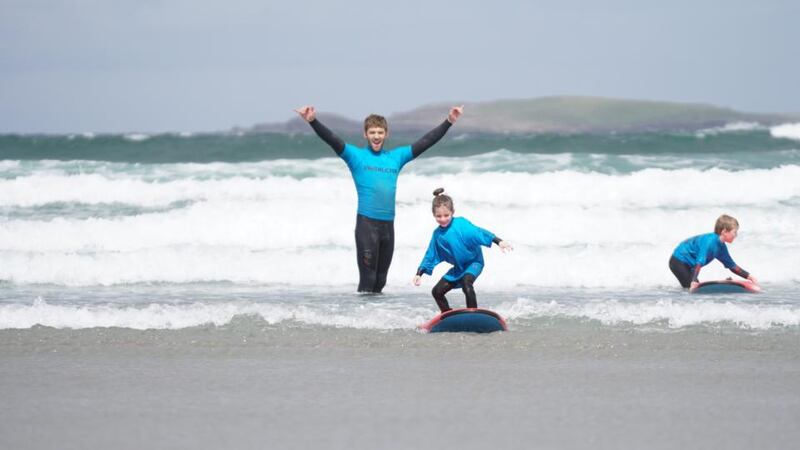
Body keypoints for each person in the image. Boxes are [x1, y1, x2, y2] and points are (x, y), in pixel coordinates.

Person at [294, 104, 463, 293]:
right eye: (372, 132)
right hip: (367, 224)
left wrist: (449, 122)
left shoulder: (396, 157)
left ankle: (374, 319)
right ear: (365, 134)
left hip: (388, 227)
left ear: (386, 134)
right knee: (368, 280)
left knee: (381, 280)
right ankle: (361, 319)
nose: (376, 136)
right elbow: (333, 140)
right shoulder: (355, 156)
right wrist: (312, 121)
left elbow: (425, 141)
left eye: (380, 132)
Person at [413, 188, 513, 312]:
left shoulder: (461, 225)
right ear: (433, 215)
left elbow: (479, 232)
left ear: (452, 212)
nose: (443, 219)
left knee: (467, 283)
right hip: (458, 268)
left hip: (474, 263)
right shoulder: (437, 234)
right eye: (438, 216)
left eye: (446, 215)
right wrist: (419, 273)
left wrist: (499, 241)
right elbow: (430, 254)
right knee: (437, 292)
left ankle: (472, 314)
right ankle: (447, 314)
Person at [669, 214, 758, 289]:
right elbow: (699, 262)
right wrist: (693, 281)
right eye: (734, 232)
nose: (736, 235)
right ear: (724, 231)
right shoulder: (710, 242)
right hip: (678, 261)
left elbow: (732, 266)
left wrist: (749, 276)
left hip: (689, 265)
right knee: (691, 288)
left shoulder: (721, 247)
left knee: (693, 289)